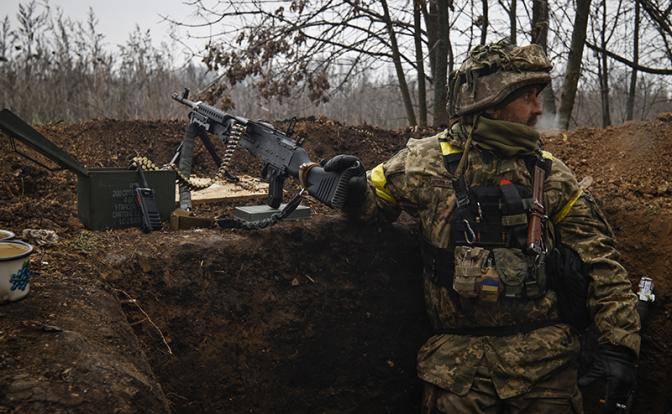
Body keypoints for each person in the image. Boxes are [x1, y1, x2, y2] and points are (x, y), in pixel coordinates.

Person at [323, 40, 640, 413]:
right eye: (527, 97)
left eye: (539, 96)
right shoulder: (425, 163)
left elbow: (601, 263)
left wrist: (619, 347)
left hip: (546, 370)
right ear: (492, 100)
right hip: (458, 373)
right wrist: (352, 188)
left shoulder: (551, 174)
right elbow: (373, 204)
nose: (538, 109)